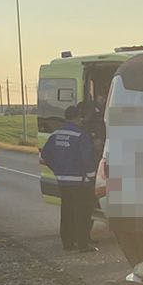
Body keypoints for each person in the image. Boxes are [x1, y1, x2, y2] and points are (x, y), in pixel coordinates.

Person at [40, 103, 99, 252]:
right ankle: (83, 244)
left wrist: (57, 169)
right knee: (83, 214)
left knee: (67, 212)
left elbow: (45, 156)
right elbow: (86, 159)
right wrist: (92, 176)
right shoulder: (81, 135)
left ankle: (67, 243)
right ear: (77, 117)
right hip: (80, 182)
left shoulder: (56, 134)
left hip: (63, 181)